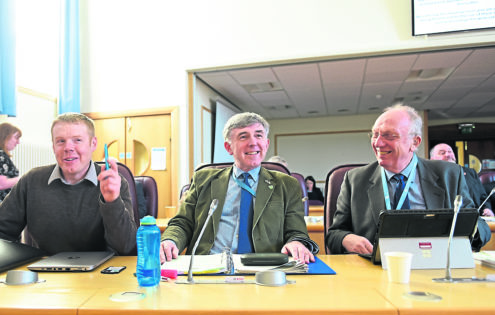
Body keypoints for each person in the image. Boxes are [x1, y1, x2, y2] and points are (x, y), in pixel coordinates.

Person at [0, 113, 137, 256]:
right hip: (45, 279)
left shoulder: (115, 183)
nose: (68, 148)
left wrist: (111, 201)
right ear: (53, 146)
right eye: (60, 141)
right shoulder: (32, 181)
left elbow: (126, 247)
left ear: (93, 144)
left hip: (102, 278)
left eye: (77, 140)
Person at [326, 104, 491, 254]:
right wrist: (346, 239)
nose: (378, 143)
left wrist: (466, 228)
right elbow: (334, 235)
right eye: (375, 134)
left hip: (434, 264)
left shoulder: (449, 175)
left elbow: (481, 227)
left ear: (414, 142)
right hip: (374, 269)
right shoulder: (355, 180)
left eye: (389, 136)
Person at [160, 112, 319, 264]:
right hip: (209, 266)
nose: (253, 142)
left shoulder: (286, 184)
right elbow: (182, 223)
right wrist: (170, 240)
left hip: (263, 268)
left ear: (266, 143)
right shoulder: (203, 180)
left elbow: (296, 232)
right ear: (229, 148)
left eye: (258, 135)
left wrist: (296, 243)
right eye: (243, 136)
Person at [430, 143, 494, 217]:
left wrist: (487, 209)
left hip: (477, 219)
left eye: (450, 152)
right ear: (432, 159)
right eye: (442, 153)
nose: (448, 155)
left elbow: (483, 197)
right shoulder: (430, 176)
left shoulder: (470, 172)